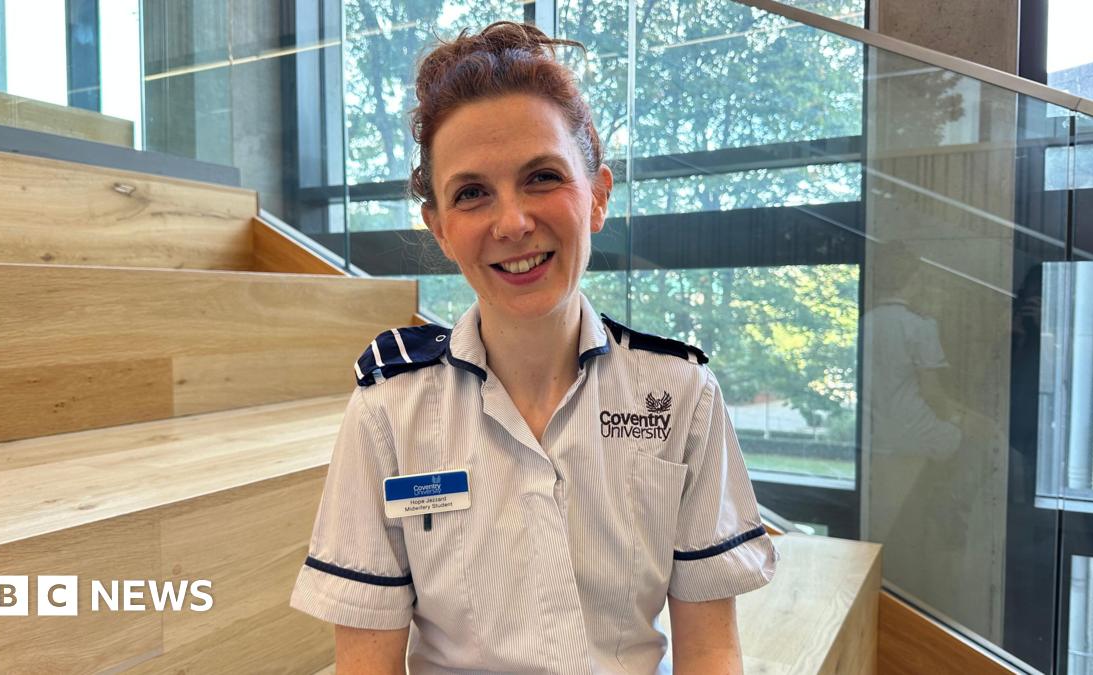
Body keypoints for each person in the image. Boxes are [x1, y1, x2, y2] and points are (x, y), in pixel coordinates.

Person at [289, 21, 777, 674]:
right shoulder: (390, 410)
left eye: (543, 177)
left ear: (598, 195)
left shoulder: (680, 395)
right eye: (471, 193)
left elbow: (711, 651)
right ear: (438, 226)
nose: (513, 222)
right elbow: (366, 663)